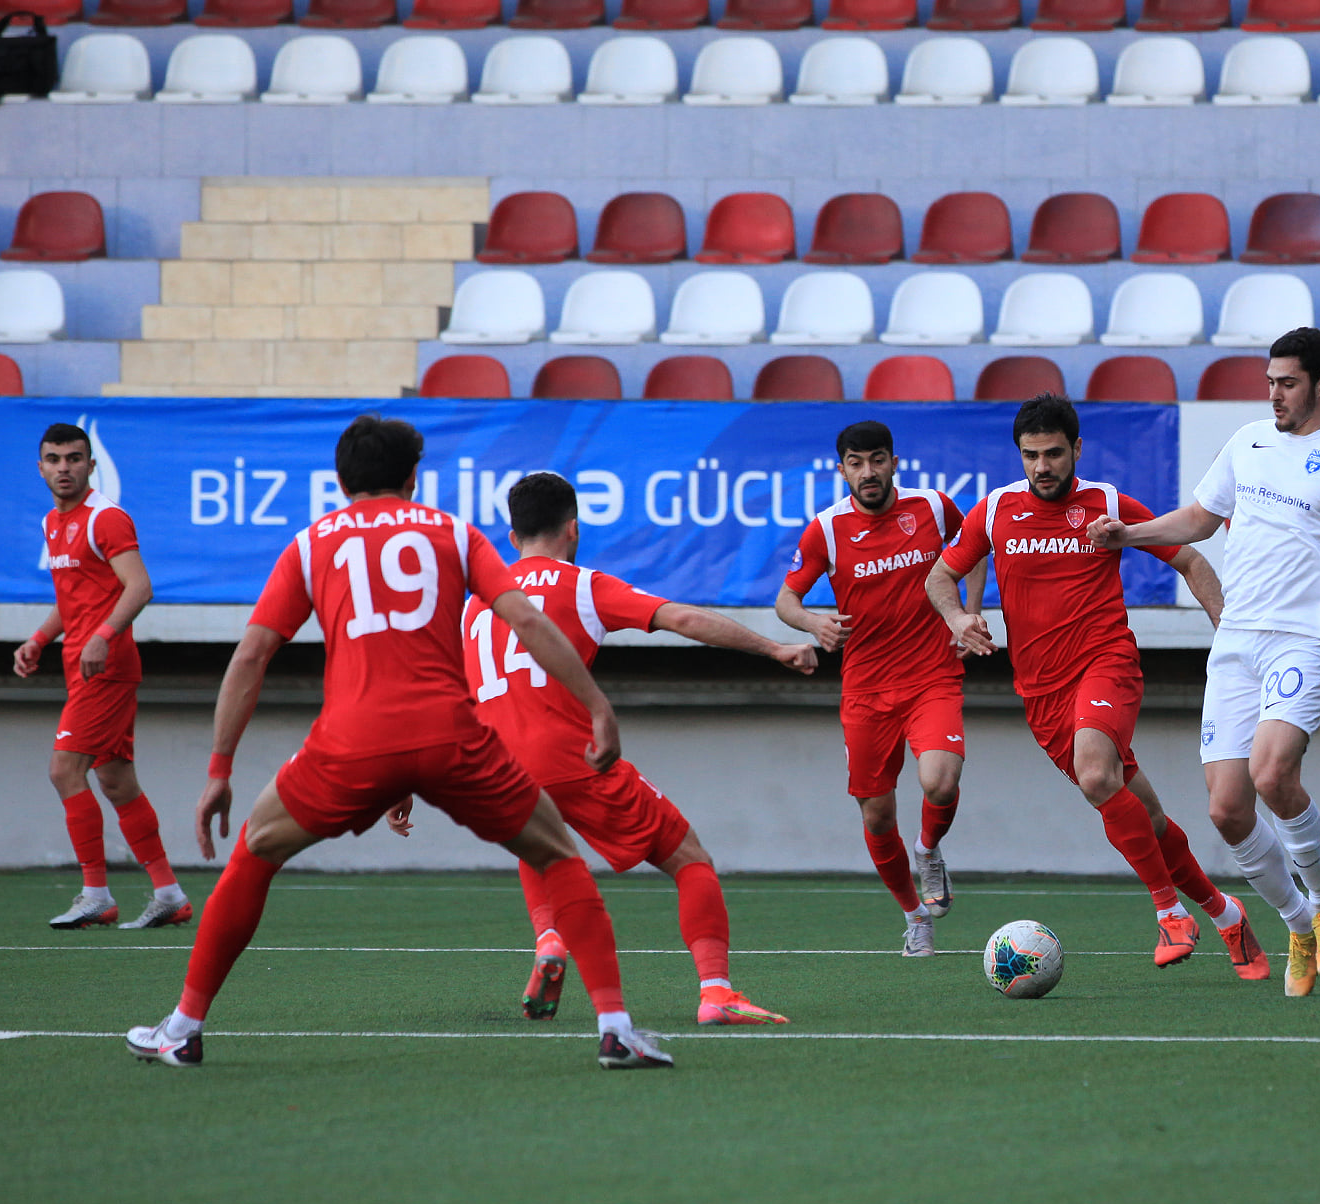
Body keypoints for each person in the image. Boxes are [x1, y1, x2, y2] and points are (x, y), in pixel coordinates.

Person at [126, 415, 669, 1071]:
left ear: (340, 479)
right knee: (559, 855)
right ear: (414, 477)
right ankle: (614, 1028)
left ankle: (184, 1027)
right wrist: (597, 705)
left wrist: (219, 768)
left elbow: (252, 655)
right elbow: (525, 619)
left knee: (255, 853)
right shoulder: (454, 534)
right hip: (454, 739)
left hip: (350, 742)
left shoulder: (312, 543)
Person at [388, 471, 813, 1026]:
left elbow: (442, 697)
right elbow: (681, 618)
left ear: (512, 538)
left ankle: (548, 941)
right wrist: (773, 648)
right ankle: (717, 993)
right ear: (573, 528)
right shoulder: (582, 585)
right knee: (690, 860)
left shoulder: (474, 607)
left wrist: (404, 780)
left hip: (500, 770)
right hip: (574, 758)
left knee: (538, 847)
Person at [1088, 327, 1320, 997]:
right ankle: (1298, 924)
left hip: (1303, 638)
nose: (1275, 394)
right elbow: (1200, 518)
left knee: (1272, 772)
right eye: (1270, 382)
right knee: (1227, 810)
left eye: (1287, 383)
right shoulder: (1249, 440)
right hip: (1237, 639)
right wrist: (1129, 534)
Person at [926, 394, 1270, 979]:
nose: (1043, 466)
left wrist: (1231, 638)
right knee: (1148, 818)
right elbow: (940, 576)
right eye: (1031, 455)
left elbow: (1191, 560)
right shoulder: (995, 511)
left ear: (1076, 449)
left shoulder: (1106, 504)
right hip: (1042, 695)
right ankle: (1225, 912)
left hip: (1105, 663)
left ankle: (1169, 913)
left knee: (1094, 774)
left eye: (1054, 453)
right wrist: (959, 618)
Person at [776, 421, 983, 957]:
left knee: (939, 781)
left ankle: (928, 848)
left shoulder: (933, 508)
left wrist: (966, 615)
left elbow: (976, 551)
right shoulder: (825, 530)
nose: (868, 472)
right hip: (866, 691)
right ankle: (915, 915)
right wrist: (812, 623)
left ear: (895, 461)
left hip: (931, 675)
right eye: (856, 462)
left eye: (877, 460)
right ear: (840, 468)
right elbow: (786, 600)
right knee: (876, 815)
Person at [15, 423, 189, 931]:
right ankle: (169, 894)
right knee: (116, 781)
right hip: (84, 665)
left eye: (74, 458)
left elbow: (139, 587)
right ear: (41, 467)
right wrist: (39, 640)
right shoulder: (53, 521)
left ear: (92, 465)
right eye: (54, 459)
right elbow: (75, 601)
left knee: (64, 771)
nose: (63, 467)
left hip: (106, 668)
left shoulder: (106, 518)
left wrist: (104, 634)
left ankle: (95, 893)